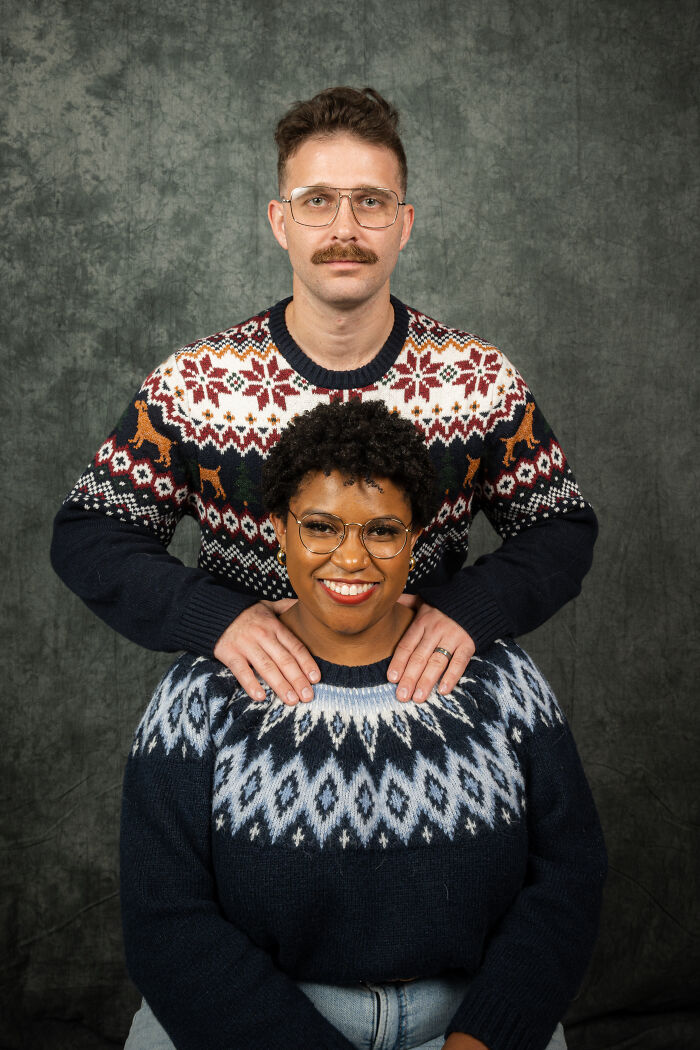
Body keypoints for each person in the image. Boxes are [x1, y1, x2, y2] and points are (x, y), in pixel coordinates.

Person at [51, 86, 597, 706]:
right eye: (317, 202)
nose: (345, 228)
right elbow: (90, 533)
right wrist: (218, 617)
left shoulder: (477, 376)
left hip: (422, 699)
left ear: (404, 224)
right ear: (281, 222)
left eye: (371, 202)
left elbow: (560, 527)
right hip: (249, 710)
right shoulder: (195, 383)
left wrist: (472, 608)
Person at [120, 399, 606, 1050]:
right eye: (320, 526)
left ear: (416, 537)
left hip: (468, 1015)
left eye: (382, 531)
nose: (351, 558)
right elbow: (164, 917)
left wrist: (485, 1036)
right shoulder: (204, 692)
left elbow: (569, 873)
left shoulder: (497, 677)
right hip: (250, 1020)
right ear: (280, 529)